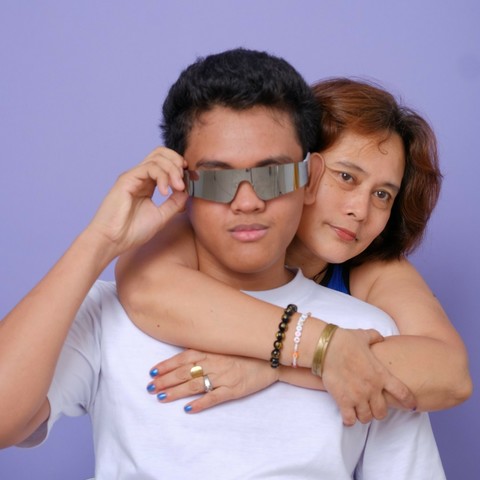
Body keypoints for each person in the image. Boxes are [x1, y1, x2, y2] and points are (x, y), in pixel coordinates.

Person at [0, 48, 445, 478]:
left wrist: (298, 358)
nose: (246, 202)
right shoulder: (109, 314)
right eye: (217, 178)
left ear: (308, 179)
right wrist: (99, 241)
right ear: (181, 181)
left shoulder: (367, 334)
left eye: (271, 175)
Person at [115, 76, 472, 424]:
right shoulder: (220, 221)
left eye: (382, 194)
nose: (360, 211)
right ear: (297, 170)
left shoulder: (370, 267)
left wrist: (278, 365)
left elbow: (451, 374)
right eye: (346, 177)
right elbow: (146, 286)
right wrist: (323, 351)